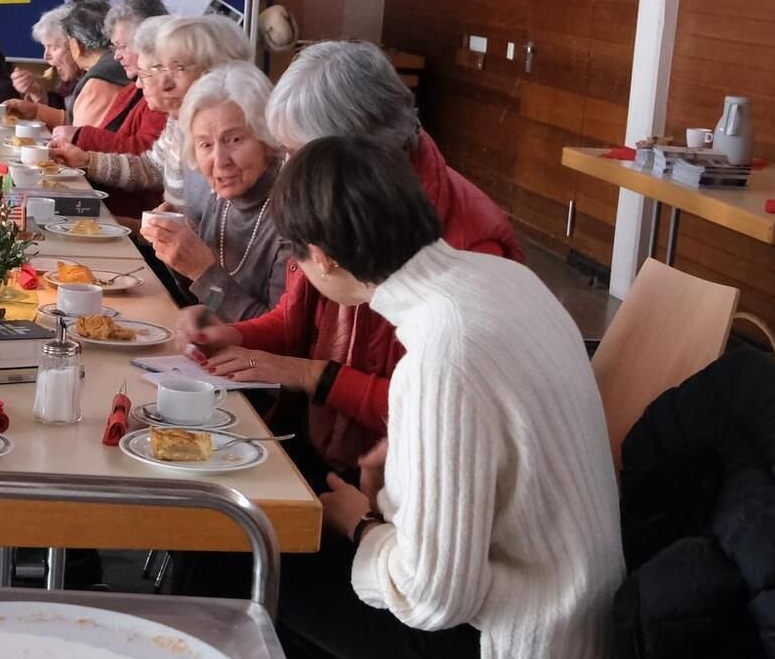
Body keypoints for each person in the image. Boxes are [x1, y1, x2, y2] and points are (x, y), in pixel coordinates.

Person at [262, 136, 620, 659]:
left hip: (522, 645)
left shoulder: (441, 351)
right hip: (582, 609)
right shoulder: (505, 280)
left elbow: (433, 596)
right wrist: (399, 482)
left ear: (324, 257)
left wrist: (361, 525)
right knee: (293, 588)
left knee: (259, 554)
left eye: (297, 259)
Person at [175, 41, 524, 478]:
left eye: (300, 152)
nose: (290, 168)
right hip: (323, 439)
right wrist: (231, 335)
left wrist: (310, 374)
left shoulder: (469, 246)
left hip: (390, 472)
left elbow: (438, 409)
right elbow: (295, 319)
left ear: (360, 147)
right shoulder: (340, 198)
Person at [142, 63, 288, 323]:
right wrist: (175, 254)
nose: (220, 160)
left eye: (233, 140)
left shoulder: (292, 217)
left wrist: (203, 270)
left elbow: (279, 335)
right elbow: (209, 305)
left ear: (267, 139)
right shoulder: (218, 197)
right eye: (205, 144)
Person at [51, 14, 248, 206]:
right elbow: (153, 167)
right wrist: (87, 161)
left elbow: (208, 224)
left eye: (178, 68)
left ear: (212, 70)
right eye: (161, 69)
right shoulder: (179, 120)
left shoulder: (227, 133)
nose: (164, 83)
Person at [52, 0, 168, 150]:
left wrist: (80, 137)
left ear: (149, 42)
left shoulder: (164, 94)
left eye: (122, 46)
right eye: (115, 47)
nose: (116, 57)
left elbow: (145, 154)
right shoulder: (131, 90)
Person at [5, 0, 125, 129]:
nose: (46, 56)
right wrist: (35, 110)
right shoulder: (101, 70)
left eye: (53, 47)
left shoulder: (99, 82)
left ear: (75, 45)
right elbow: (75, 119)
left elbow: (81, 139)